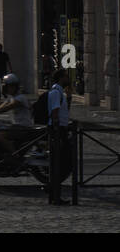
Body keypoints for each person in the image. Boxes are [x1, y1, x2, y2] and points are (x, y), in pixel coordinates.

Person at [47, 69, 73, 205]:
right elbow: (55, 112)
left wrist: (69, 98)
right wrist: (58, 132)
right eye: (66, 77)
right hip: (58, 131)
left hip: (61, 130)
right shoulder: (56, 93)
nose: (68, 79)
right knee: (64, 162)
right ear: (61, 78)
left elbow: (63, 111)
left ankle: (53, 190)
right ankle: (53, 188)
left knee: (62, 163)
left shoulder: (59, 93)